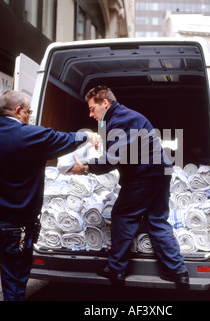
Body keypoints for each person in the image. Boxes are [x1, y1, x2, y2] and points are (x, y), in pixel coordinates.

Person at [0, 90, 97, 301]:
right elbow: (66, 139)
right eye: (28, 112)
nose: (29, 116)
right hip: (15, 230)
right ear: (17, 111)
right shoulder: (31, 135)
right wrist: (88, 135)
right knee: (13, 286)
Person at [70, 85, 188, 287]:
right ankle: (179, 272)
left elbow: (114, 158)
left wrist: (87, 167)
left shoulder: (120, 120)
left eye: (92, 108)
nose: (90, 114)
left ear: (104, 103)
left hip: (145, 176)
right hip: (160, 173)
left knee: (123, 215)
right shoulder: (124, 117)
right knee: (157, 220)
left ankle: (116, 270)